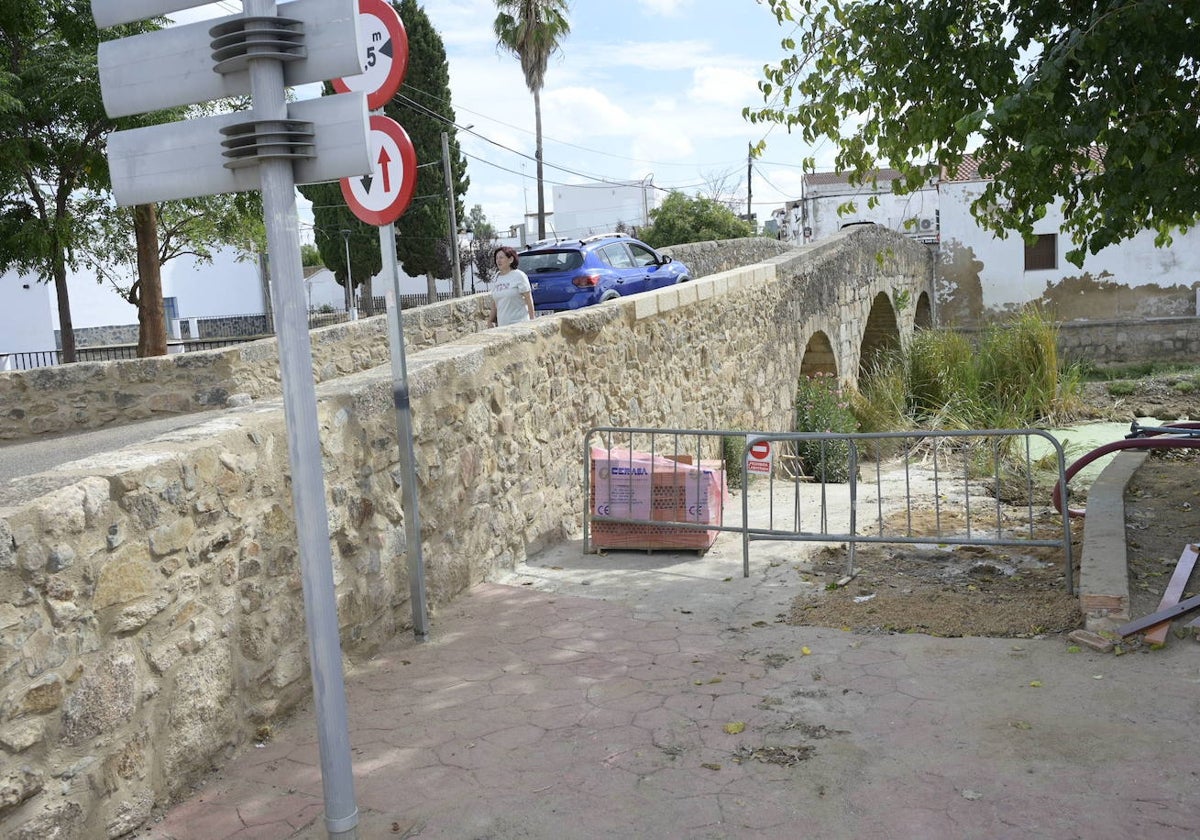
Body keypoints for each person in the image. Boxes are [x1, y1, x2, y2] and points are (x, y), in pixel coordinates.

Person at [488, 245, 535, 327]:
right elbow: (495, 303)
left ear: (511, 259)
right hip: (502, 326)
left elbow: (528, 299)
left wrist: (532, 321)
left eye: (501, 257)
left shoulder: (519, 275)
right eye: (497, 258)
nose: (498, 260)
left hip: (520, 324)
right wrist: (490, 321)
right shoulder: (496, 277)